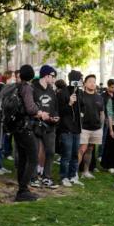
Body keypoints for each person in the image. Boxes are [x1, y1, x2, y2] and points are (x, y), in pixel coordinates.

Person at [12, 64, 50, 201]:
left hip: (17, 127)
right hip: (25, 128)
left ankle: (22, 189)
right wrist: (40, 113)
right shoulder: (27, 88)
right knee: (33, 158)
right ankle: (22, 189)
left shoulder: (17, 86)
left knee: (23, 158)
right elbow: (30, 108)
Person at [33, 65, 60, 188]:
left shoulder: (51, 90)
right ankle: (33, 178)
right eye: (53, 76)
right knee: (34, 152)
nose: (54, 79)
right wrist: (39, 115)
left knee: (50, 152)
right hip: (36, 125)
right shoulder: (33, 88)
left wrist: (55, 116)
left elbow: (54, 107)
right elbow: (30, 108)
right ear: (46, 75)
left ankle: (46, 177)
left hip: (50, 126)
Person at [58, 70, 84, 186]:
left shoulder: (79, 93)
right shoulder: (62, 92)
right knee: (66, 155)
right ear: (74, 80)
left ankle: (73, 175)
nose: (82, 82)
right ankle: (64, 177)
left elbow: (81, 108)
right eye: (80, 79)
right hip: (66, 129)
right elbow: (60, 112)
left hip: (77, 129)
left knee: (74, 154)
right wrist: (69, 103)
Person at [78, 74, 106, 179]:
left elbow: (102, 113)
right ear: (85, 83)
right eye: (90, 81)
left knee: (90, 149)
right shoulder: (81, 95)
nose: (92, 83)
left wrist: (101, 126)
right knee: (81, 149)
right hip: (83, 128)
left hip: (96, 128)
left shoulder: (99, 97)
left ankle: (86, 171)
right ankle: (74, 173)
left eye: (94, 81)